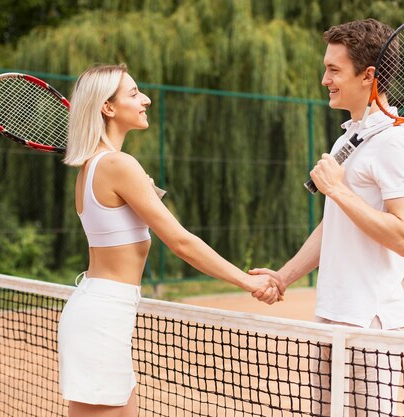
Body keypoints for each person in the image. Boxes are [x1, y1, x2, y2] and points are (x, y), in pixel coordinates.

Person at [57, 64, 282, 417]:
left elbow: (123, 224)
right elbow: (181, 242)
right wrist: (247, 281)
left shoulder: (95, 165)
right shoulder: (117, 164)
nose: (145, 99)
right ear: (108, 108)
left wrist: (146, 189)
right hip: (101, 316)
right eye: (133, 93)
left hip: (103, 310)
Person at [251, 18, 404, 416]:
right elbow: (335, 224)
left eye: (333, 70)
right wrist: (283, 277)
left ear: (368, 76)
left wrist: (338, 190)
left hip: (371, 323)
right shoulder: (349, 136)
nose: (324, 79)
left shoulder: (397, 143)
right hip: (333, 313)